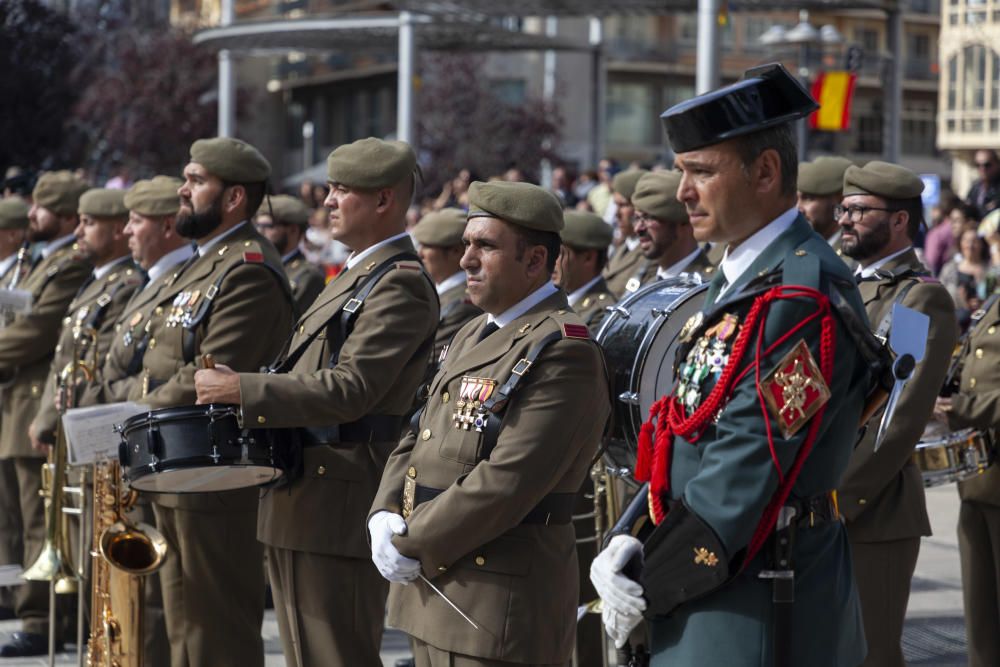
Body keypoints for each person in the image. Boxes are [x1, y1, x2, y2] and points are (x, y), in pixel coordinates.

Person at [590, 63, 871, 666]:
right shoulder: (740, 281)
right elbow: (683, 429)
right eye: (680, 172)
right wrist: (628, 536)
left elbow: (746, 466)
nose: (682, 192)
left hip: (762, 598)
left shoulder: (800, 297)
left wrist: (649, 579)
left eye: (700, 172)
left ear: (765, 172)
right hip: (713, 581)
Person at [195, 137, 439, 667]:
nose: (327, 200)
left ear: (384, 201)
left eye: (343, 190)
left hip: (340, 497)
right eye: (329, 188)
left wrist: (245, 389)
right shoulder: (359, 275)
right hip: (305, 493)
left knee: (334, 655)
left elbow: (353, 388)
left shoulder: (398, 284)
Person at [368, 180, 610, 666]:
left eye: (486, 246)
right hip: (435, 589)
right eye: (466, 245)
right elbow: (419, 432)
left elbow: (508, 480)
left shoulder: (565, 350)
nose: (466, 260)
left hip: (498, 605)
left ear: (535, 260)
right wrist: (382, 513)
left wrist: (409, 540)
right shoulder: (474, 332)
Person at [126, 138, 295, 667]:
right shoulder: (202, 265)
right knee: (181, 622)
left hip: (215, 474)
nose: (182, 189)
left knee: (213, 631)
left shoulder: (246, 268)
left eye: (196, 181)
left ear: (233, 198)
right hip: (176, 465)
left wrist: (128, 408)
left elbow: (209, 372)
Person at [834, 161, 957, 666]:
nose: (844, 219)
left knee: (870, 654)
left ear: (899, 221)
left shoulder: (915, 299)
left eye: (858, 211)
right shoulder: (841, 285)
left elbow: (898, 418)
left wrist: (836, 497)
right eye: (843, 208)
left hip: (870, 512)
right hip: (822, 503)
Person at [0, 171, 92, 657]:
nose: (28, 214)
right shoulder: (40, 262)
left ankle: (40, 618)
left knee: (39, 521)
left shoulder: (70, 264)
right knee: (14, 520)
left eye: (39, 207)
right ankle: (21, 602)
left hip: (36, 401)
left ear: (63, 215)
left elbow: (34, 330)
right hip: (16, 401)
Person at [29, 188, 144, 449]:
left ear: (117, 231)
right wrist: (45, 419)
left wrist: (46, 421)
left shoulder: (125, 285)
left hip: (85, 421)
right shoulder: (97, 282)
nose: (78, 232)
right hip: (63, 419)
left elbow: (95, 363)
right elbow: (64, 358)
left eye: (88, 223)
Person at [0, 198, 31, 618]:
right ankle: (5, 591)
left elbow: (27, 330)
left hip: (17, 398)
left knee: (18, 514)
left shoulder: (23, 271)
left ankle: (22, 601)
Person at [412, 207, 481, 365]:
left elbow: (427, 361)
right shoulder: (432, 292)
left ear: (455, 252)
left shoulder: (463, 304)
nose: (420, 253)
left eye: (427, 246)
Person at [629, 169, 714, 289]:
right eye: (637, 218)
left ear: (684, 222)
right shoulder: (647, 284)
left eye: (648, 218)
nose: (638, 228)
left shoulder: (706, 287)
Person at [255, 194, 326, 315]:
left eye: (268, 226)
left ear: (293, 230)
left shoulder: (307, 276)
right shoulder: (257, 266)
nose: (260, 232)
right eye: (257, 226)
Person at [555, 210, 616, 334]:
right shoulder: (558, 299)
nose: (550, 261)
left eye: (559, 253)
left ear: (588, 258)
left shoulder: (603, 313)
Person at [797, 156, 855, 268]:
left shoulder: (852, 258)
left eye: (808, 198)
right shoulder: (799, 247)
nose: (798, 208)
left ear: (840, 201)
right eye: (795, 199)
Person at [603, 169, 651, 297]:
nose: (616, 214)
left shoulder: (651, 254)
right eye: (615, 205)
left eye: (623, 205)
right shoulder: (621, 247)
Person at [965, 149, 1000, 220]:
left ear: (997, 164)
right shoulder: (975, 188)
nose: (982, 169)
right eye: (978, 165)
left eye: (987, 165)